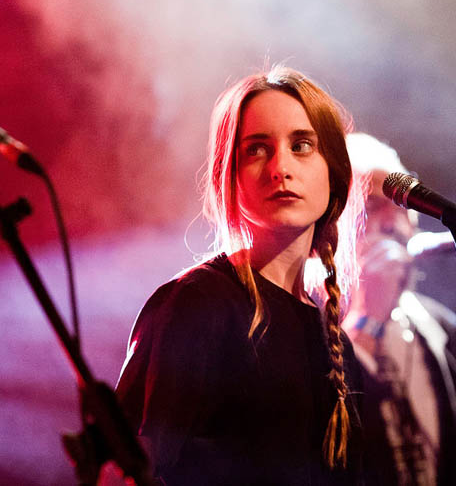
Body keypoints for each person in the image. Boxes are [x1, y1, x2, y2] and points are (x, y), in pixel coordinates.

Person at [115, 66, 366, 485]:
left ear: (334, 172)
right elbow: (130, 469)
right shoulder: (197, 303)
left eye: (302, 145)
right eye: (256, 150)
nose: (280, 168)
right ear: (228, 176)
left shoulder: (337, 347)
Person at [343, 133, 456, 486]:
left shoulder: (444, 328)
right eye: (369, 206)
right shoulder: (307, 324)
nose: (392, 222)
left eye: (400, 204)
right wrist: (367, 323)